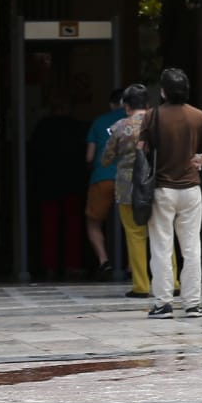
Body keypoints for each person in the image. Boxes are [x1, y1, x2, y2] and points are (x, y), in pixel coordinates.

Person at [138, 68, 202, 320]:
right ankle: (192, 304)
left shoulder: (152, 116)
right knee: (191, 248)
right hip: (191, 189)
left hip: (162, 189)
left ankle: (163, 304)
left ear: (163, 91)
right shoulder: (197, 116)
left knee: (161, 247)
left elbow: (141, 150)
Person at [99, 84, 160, 298]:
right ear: (148, 105)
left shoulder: (120, 126)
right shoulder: (158, 123)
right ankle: (173, 281)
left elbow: (106, 158)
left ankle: (141, 286)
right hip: (156, 184)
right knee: (162, 234)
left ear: (126, 106)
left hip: (127, 187)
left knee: (135, 235)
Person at [27, 88, 87, 278]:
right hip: (73, 182)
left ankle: (50, 266)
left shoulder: (42, 127)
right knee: (73, 225)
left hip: (48, 183)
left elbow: (33, 155)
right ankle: (72, 265)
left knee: (49, 227)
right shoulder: (78, 128)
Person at [83, 88, 124, 278]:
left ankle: (103, 260)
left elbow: (89, 156)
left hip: (102, 177)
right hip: (128, 179)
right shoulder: (138, 122)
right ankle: (133, 267)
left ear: (111, 104)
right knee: (133, 226)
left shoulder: (99, 122)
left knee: (93, 222)